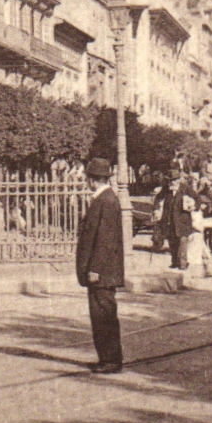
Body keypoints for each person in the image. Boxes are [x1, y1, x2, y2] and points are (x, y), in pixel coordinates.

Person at [76, 157, 125, 374]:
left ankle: (111, 360)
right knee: (100, 316)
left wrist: (95, 268)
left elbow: (105, 239)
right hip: (100, 271)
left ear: (92, 179)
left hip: (102, 272)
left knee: (104, 316)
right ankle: (106, 358)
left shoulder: (106, 200)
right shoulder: (104, 198)